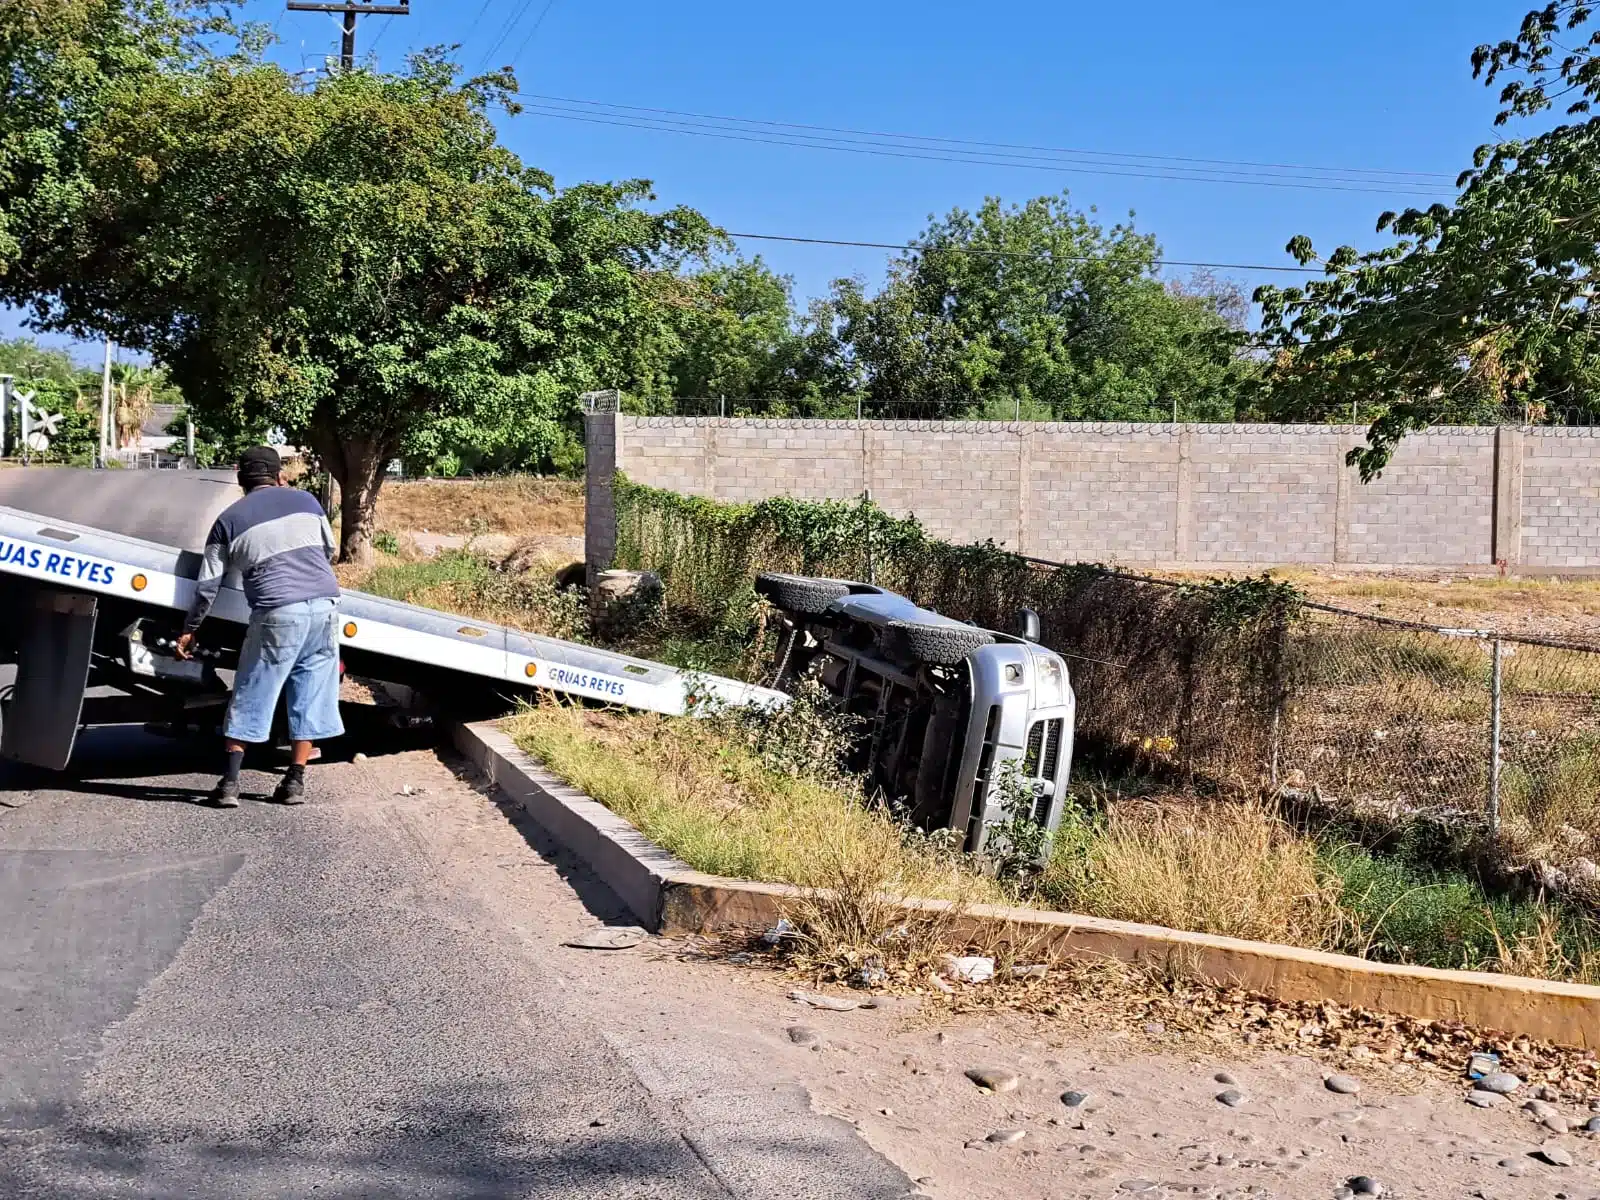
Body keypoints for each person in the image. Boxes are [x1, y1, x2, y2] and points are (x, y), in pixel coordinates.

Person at [175, 446, 343, 807]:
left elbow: (208, 585)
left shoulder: (228, 520)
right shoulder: (309, 502)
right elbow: (327, 552)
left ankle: (230, 784)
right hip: (325, 606)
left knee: (253, 690)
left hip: (277, 613)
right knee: (311, 691)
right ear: (279, 475)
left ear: (241, 480)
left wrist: (191, 628)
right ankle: (294, 782)